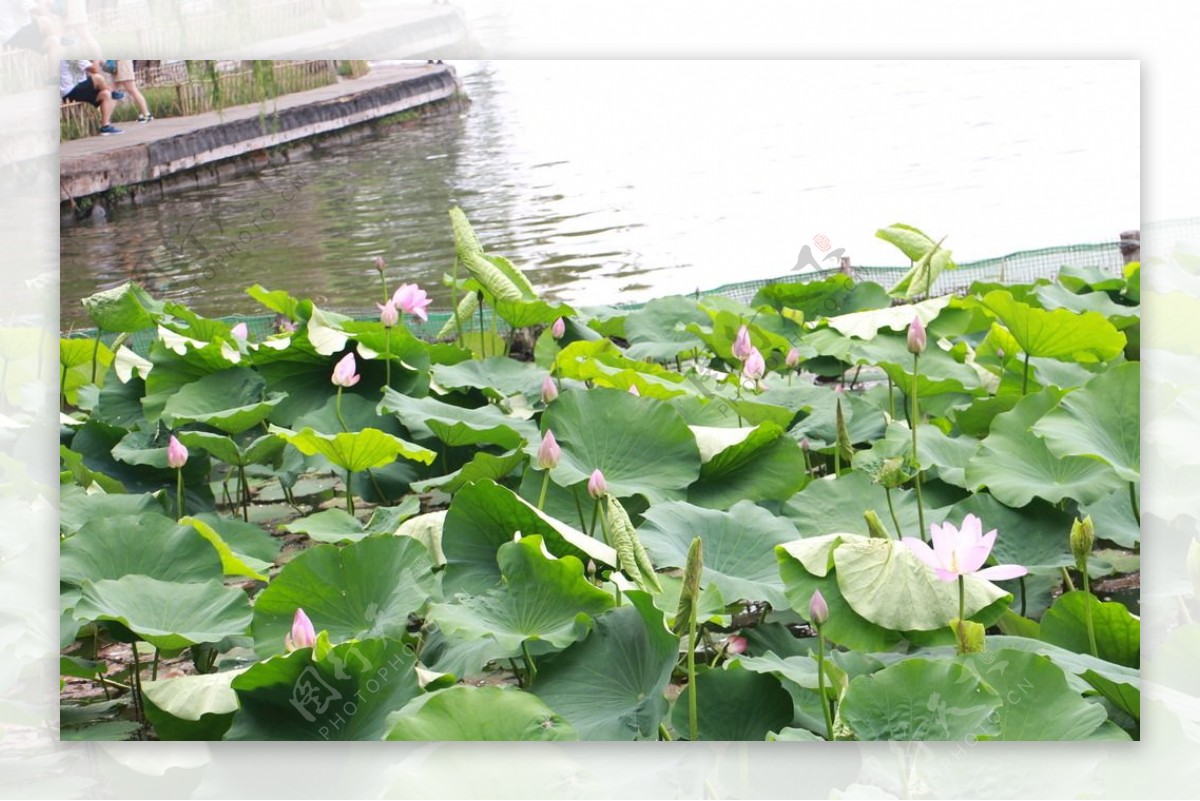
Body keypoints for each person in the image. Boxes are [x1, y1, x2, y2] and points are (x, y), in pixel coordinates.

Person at [60, 59, 122, 135]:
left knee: (105, 94)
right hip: (72, 89)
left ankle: (105, 126)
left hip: (79, 88)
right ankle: (113, 92)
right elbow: (95, 70)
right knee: (98, 78)